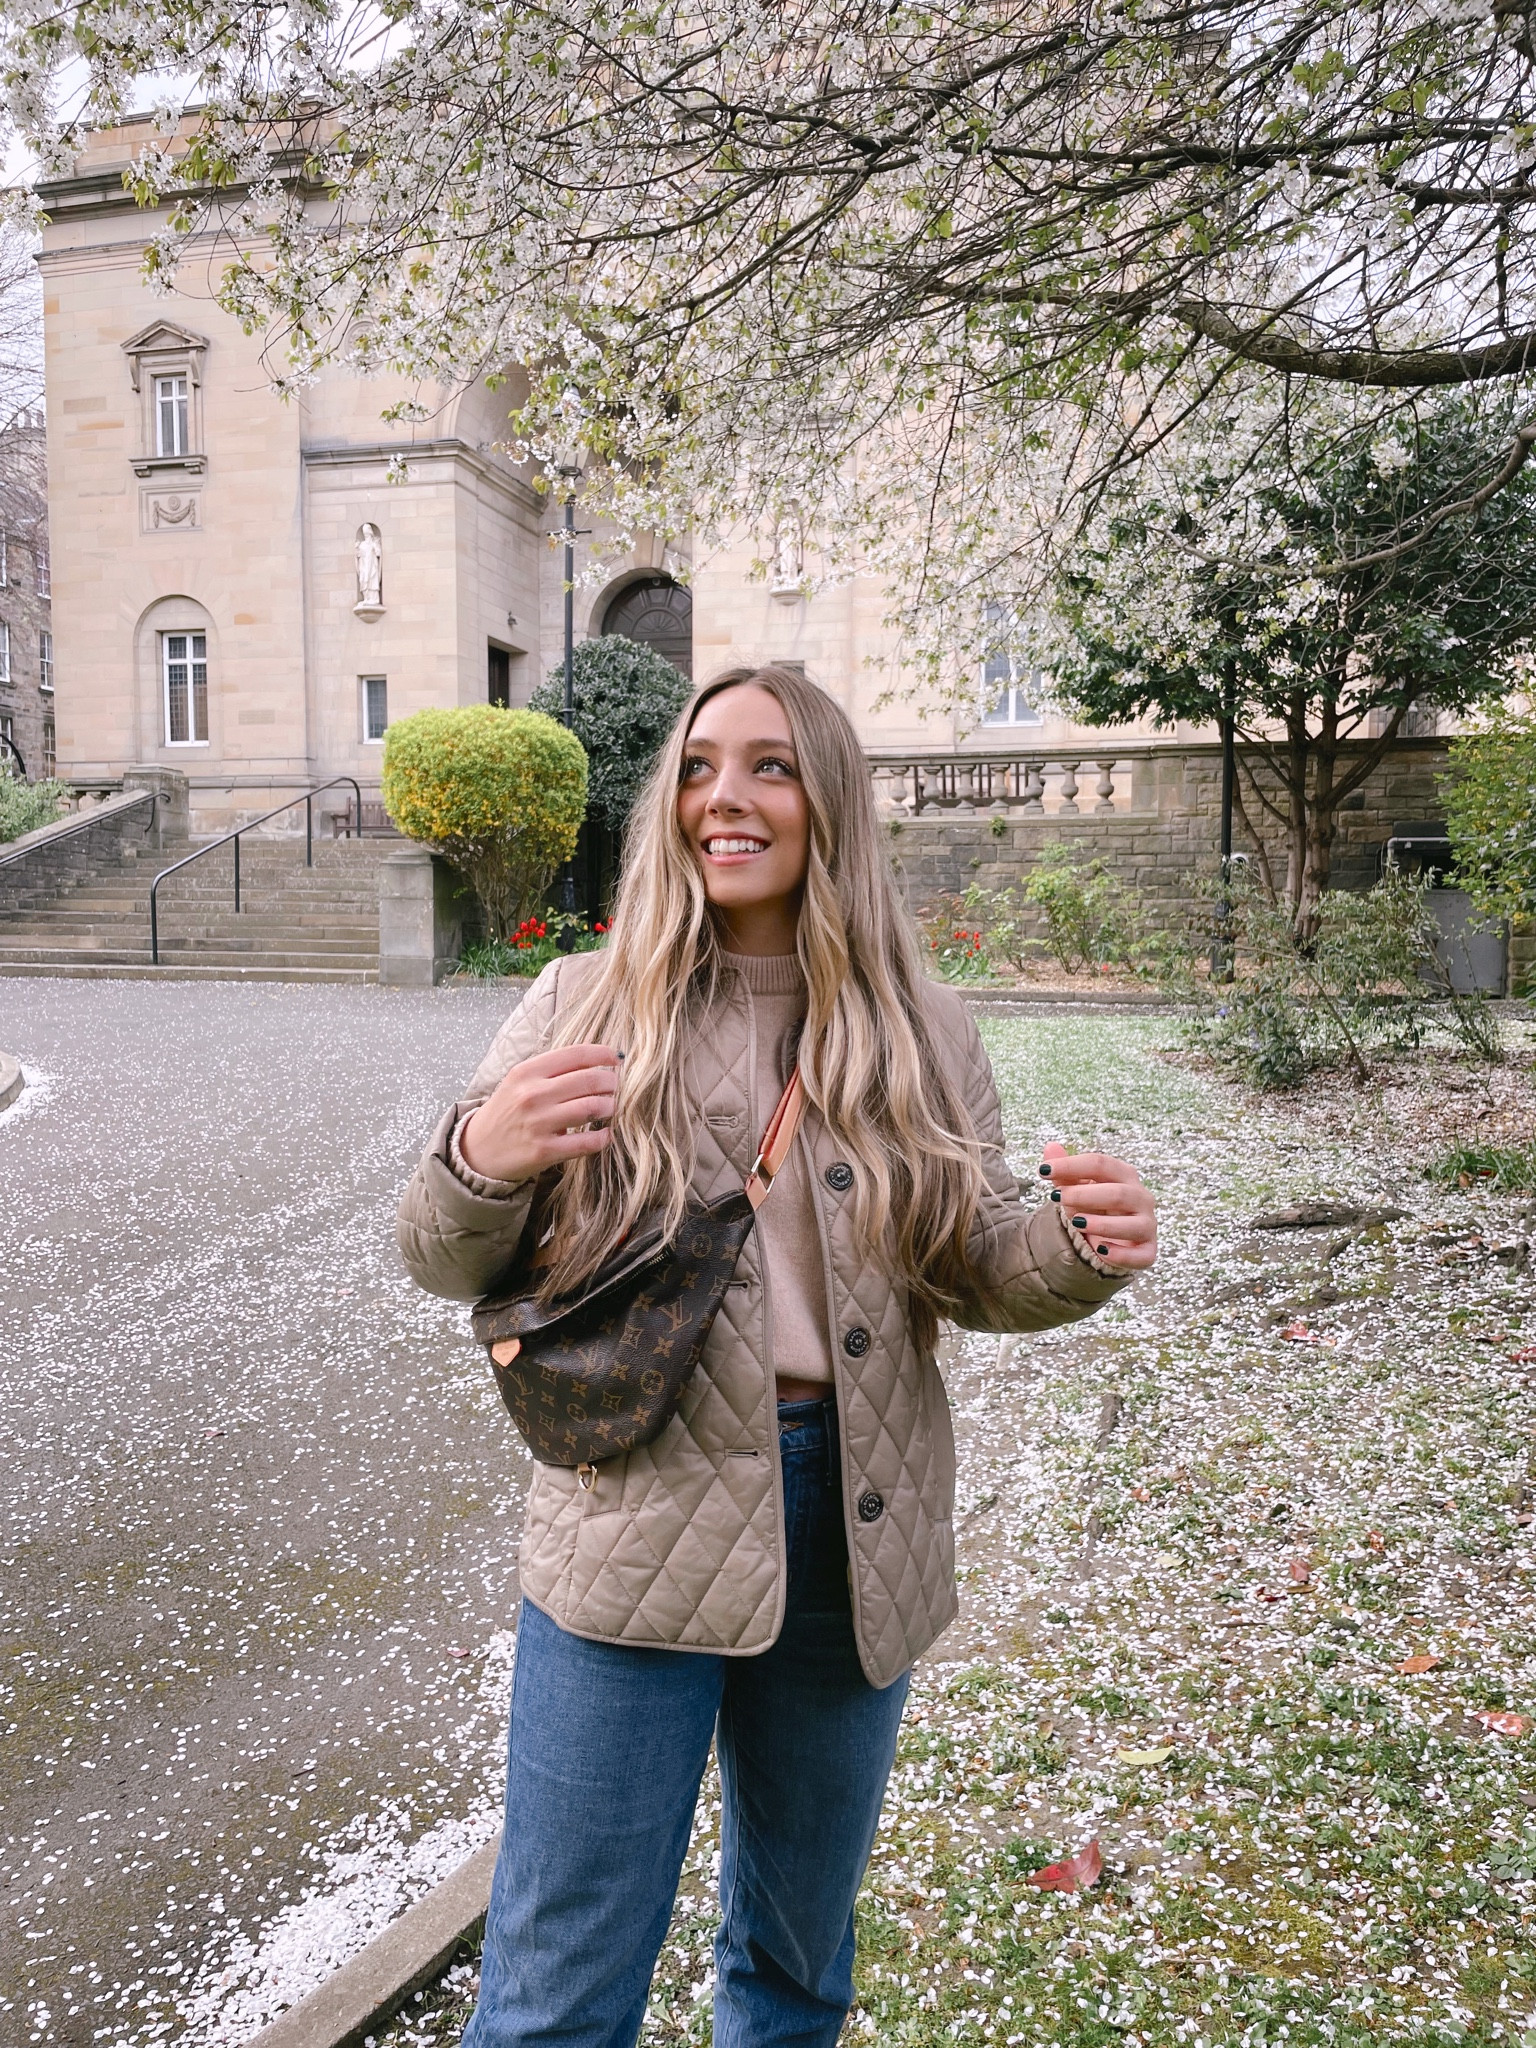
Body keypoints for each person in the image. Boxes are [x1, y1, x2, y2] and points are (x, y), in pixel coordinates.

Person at [397, 664, 1157, 2048]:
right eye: (697, 767)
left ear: (831, 801)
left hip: (855, 1530)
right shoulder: (582, 1005)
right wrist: (478, 1159)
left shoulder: (920, 1028)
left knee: (798, 1966)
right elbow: (440, 1256)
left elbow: (972, 1256)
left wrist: (1075, 1245)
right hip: (634, 1523)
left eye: (768, 766)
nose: (724, 798)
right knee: (559, 1991)